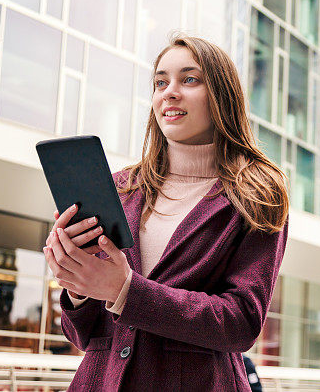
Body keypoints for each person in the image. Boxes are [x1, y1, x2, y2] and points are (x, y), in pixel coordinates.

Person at [43, 32, 289, 391]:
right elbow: (84, 336)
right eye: (160, 82)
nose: (169, 92)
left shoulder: (257, 194)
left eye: (189, 79)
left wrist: (127, 290)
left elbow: (241, 322)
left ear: (222, 95)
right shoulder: (120, 187)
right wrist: (79, 283)